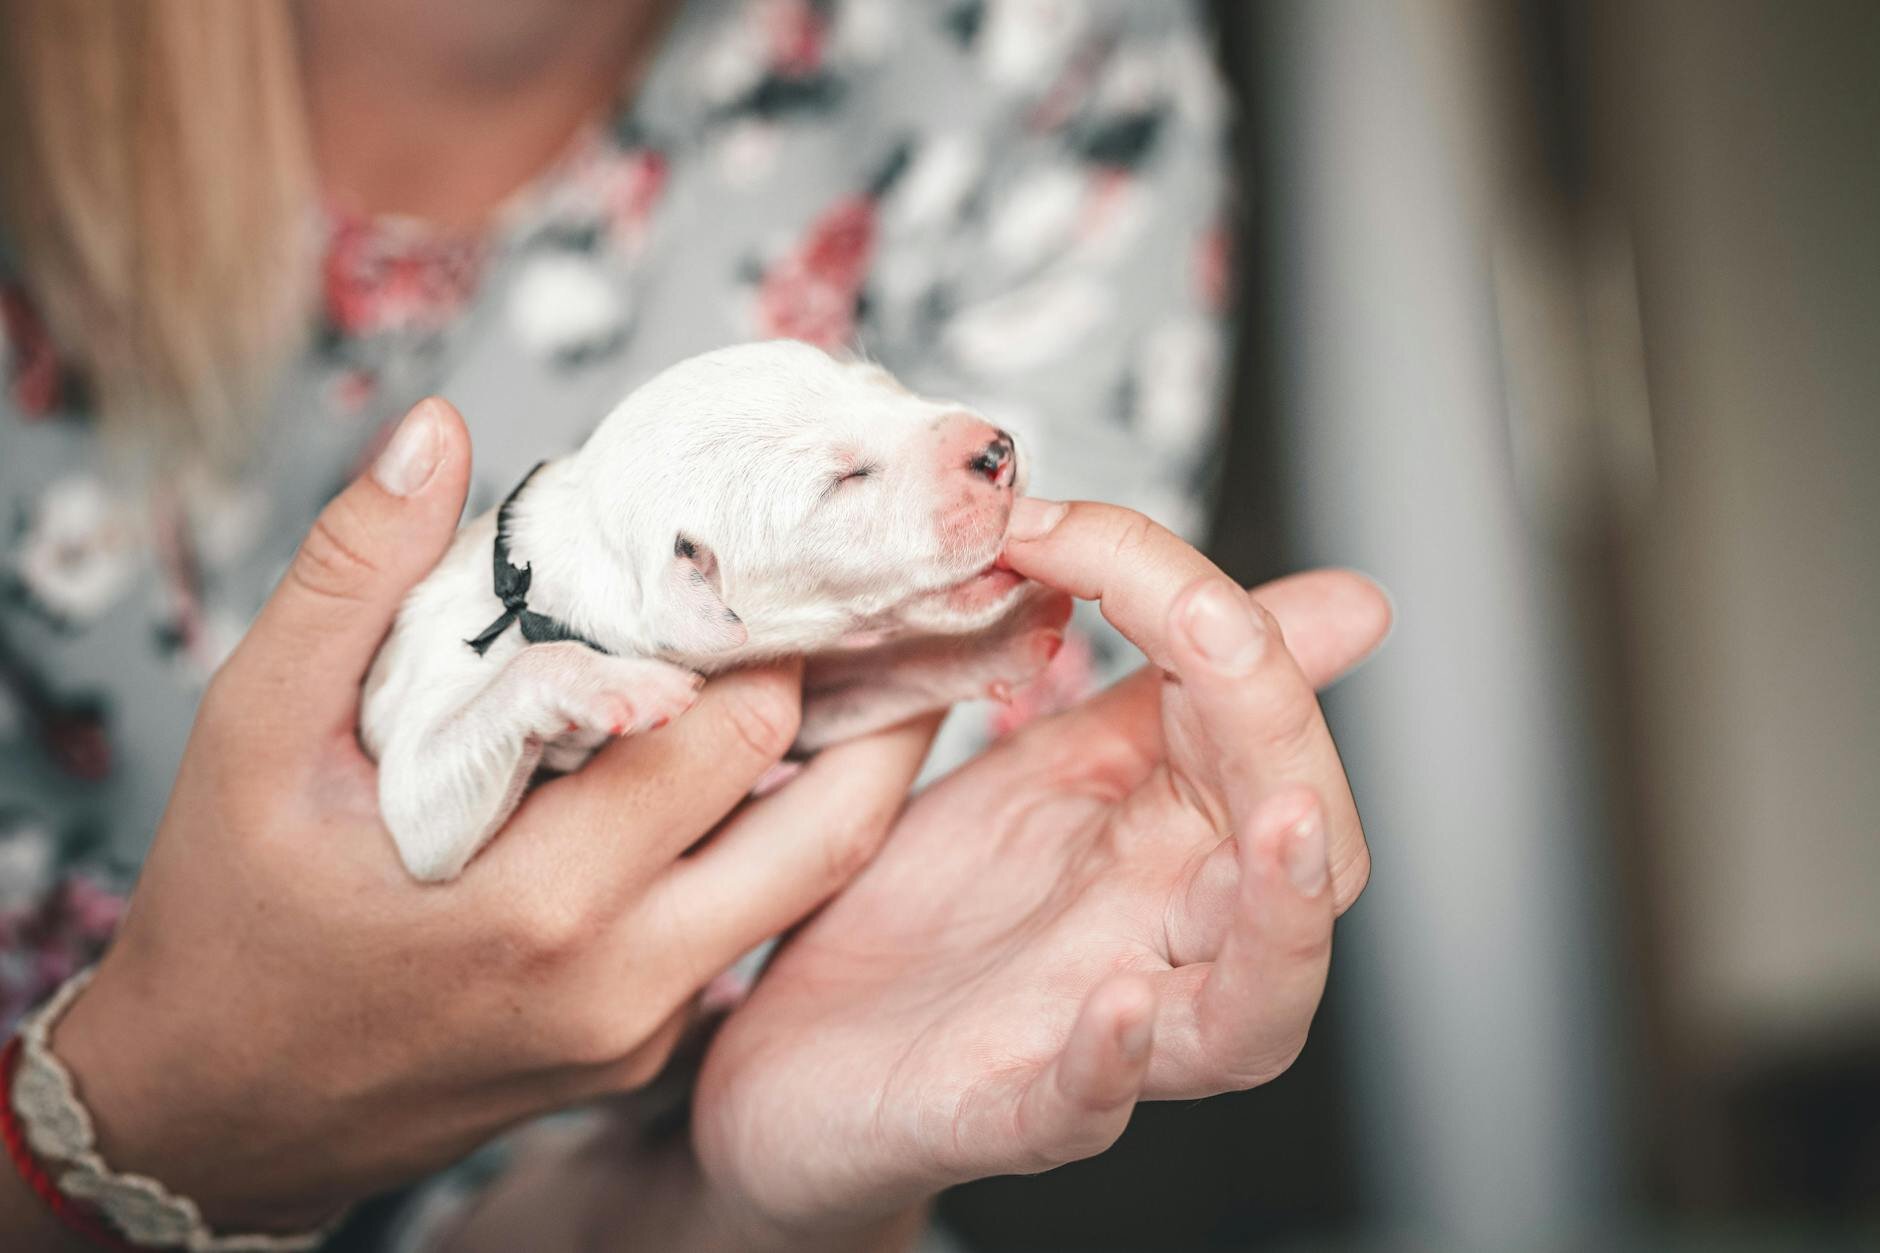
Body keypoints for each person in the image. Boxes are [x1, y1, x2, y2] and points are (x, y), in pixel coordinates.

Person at [0, 1, 1386, 1248]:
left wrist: (743, 1195)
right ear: (688, 576)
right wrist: (141, 1122)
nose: (971, 449)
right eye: (843, 473)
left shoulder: (1035, 54)